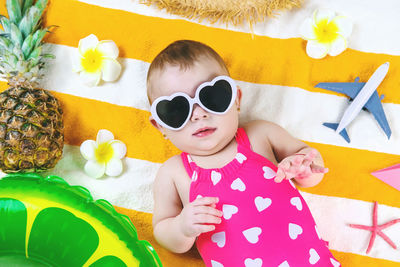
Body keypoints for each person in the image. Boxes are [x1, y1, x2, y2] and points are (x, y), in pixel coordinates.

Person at [147, 40, 340, 266]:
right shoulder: (173, 172)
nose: (198, 114)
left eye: (211, 96)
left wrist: (304, 168)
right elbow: (162, 232)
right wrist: (181, 227)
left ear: (236, 99)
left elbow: (311, 166)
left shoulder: (261, 134)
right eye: (176, 110)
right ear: (160, 126)